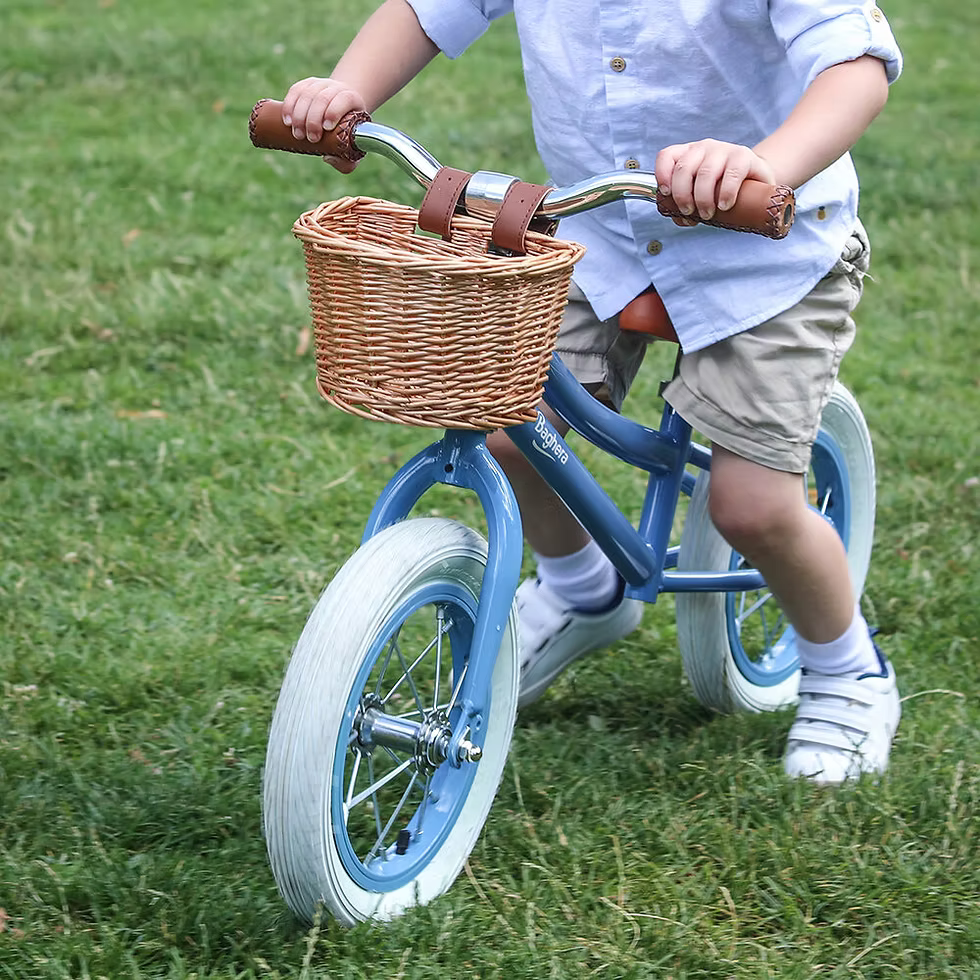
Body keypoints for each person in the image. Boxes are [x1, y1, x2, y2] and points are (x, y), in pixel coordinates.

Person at [281, 0, 904, 784]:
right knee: (506, 428)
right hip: (600, 240)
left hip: (767, 252)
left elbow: (856, 66)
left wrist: (764, 165)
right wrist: (346, 90)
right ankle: (584, 589)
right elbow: (426, 9)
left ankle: (847, 669)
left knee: (751, 505)